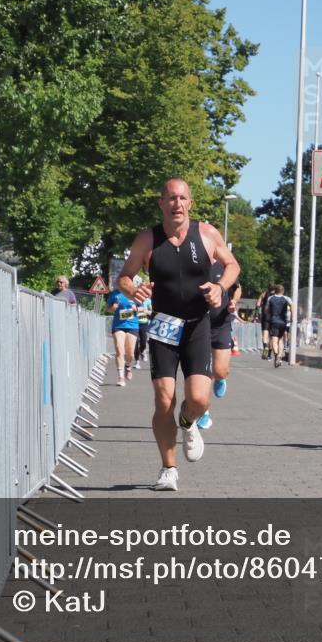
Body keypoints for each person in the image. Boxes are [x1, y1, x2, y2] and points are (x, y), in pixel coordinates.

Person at [118, 178, 240, 492]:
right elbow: (124, 277)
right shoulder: (148, 239)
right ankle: (168, 469)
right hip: (163, 325)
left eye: (182, 198)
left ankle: (188, 424)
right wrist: (134, 289)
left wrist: (219, 287)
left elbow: (232, 265)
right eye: (171, 198)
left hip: (198, 324)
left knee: (199, 399)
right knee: (164, 401)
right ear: (161, 203)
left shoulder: (207, 233)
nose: (177, 204)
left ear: (190, 203)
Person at [197, 262, 243, 430]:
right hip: (198, 325)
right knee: (202, 373)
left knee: (219, 371)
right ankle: (203, 413)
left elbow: (237, 288)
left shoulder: (223, 266)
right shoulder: (193, 262)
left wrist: (234, 302)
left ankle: (221, 378)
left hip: (221, 324)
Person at [106, 286, 139, 387]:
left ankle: (127, 366)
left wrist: (136, 308)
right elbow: (108, 309)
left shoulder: (134, 293)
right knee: (120, 351)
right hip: (118, 326)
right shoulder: (114, 294)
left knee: (130, 354)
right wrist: (113, 308)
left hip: (132, 325)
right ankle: (121, 377)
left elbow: (143, 307)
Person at [265, 284, 293, 368]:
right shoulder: (286, 298)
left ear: (275, 291)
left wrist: (269, 312)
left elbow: (266, 309)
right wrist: (292, 317)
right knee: (280, 339)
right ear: (283, 291)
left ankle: (276, 354)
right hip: (283, 322)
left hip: (273, 321)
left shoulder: (270, 298)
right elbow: (292, 306)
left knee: (274, 340)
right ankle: (280, 356)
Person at [134, 278, 152, 370]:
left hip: (144, 323)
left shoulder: (148, 301)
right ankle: (137, 362)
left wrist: (144, 310)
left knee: (144, 342)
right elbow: (126, 313)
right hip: (134, 323)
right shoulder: (134, 300)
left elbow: (151, 312)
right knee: (135, 343)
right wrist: (135, 310)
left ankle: (142, 351)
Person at [257, 285, 275, 359]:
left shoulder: (264, 294)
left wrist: (259, 313)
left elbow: (258, 304)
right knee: (271, 336)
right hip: (274, 316)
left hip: (265, 315)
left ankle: (265, 347)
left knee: (265, 333)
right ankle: (270, 354)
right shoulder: (276, 296)